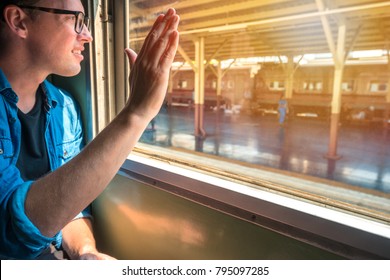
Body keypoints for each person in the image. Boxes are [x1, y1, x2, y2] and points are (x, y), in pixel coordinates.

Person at [0, 0, 180, 259]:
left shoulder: (64, 107)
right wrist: (136, 113)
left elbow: (69, 207)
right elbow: (9, 231)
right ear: (19, 21)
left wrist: (86, 253)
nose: (88, 36)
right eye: (76, 20)